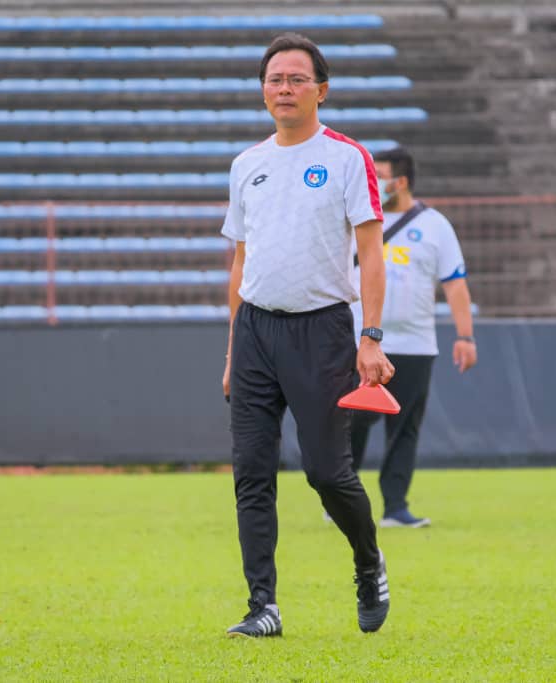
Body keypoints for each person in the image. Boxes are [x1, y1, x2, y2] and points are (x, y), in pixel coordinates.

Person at [220, 33, 396, 638]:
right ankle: (262, 606)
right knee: (251, 472)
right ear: (262, 91)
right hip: (255, 332)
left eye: (297, 79)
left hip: (322, 331)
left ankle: (368, 563)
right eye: (275, 79)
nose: (285, 88)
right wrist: (232, 349)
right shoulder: (247, 165)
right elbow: (240, 263)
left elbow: (372, 254)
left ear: (321, 90)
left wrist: (370, 337)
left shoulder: (347, 158)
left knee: (326, 473)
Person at [349, 146, 478, 528]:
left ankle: (395, 507)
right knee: (352, 421)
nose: (372, 183)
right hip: (360, 344)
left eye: (379, 176)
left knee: (404, 428)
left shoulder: (435, 226)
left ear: (401, 182)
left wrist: (465, 336)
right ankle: (342, 492)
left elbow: (455, 284)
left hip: (415, 344)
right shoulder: (356, 219)